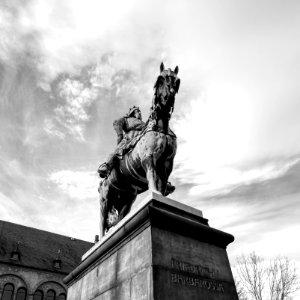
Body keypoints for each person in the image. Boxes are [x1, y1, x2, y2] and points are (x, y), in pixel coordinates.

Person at [98, 106, 145, 178]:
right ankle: (106, 165)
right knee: (118, 150)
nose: (140, 113)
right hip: (130, 138)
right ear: (133, 113)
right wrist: (120, 135)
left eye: (140, 112)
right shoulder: (126, 119)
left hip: (142, 137)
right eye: (137, 112)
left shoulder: (144, 123)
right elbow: (117, 123)